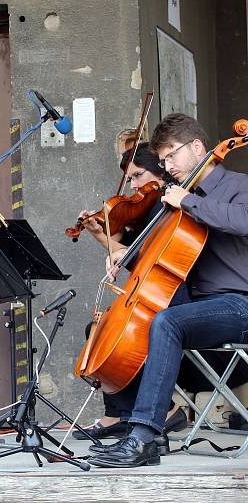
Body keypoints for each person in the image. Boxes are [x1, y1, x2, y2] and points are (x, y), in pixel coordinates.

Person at [88, 113, 248, 468]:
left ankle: (144, 437)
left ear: (196, 147)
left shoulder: (237, 186)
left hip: (238, 306)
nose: (168, 165)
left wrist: (188, 202)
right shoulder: (176, 197)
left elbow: (243, 220)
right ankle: (141, 428)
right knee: (119, 330)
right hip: (196, 307)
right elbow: (164, 261)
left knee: (167, 322)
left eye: (172, 155)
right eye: (162, 160)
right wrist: (127, 258)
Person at [72, 142, 188, 444]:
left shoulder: (175, 206)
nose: (134, 186)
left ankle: (166, 410)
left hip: (178, 296)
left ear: (160, 171)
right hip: (154, 293)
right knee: (99, 330)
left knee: (121, 336)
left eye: (138, 176)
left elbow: (149, 260)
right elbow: (130, 257)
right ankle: (119, 415)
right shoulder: (146, 209)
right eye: (131, 179)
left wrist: (118, 248)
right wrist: (103, 236)